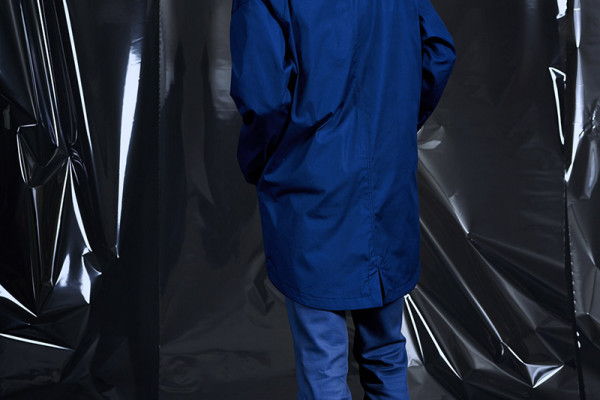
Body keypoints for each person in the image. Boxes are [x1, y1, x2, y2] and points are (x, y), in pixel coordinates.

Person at [229, 0, 456, 398]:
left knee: (324, 364)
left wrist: (262, 163)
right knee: (385, 351)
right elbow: (438, 52)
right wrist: (394, 126)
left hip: (312, 192)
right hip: (385, 188)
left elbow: (263, 97)